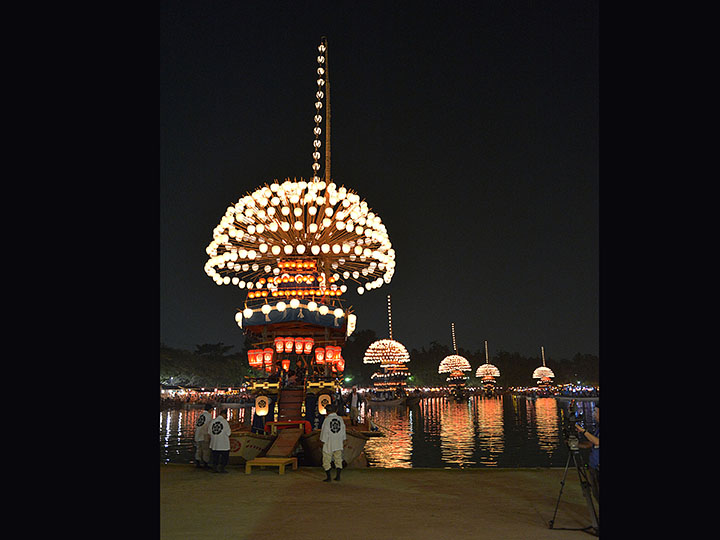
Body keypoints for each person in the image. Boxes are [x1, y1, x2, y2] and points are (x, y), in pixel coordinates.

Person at [575, 402, 599, 503]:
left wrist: (583, 431)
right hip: (593, 467)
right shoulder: (598, 428)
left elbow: (597, 442)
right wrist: (577, 445)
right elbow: (591, 444)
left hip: (598, 467)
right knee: (596, 494)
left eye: (596, 412)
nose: (594, 414)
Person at [319, 403, 346, 482]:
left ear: (327, 411)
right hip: (338, 441)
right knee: (338, 459)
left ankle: (329, 477)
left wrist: (322, 440)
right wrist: (343, 439)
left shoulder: (327, 420)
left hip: (329, 442)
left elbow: (324, 431)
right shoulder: (340, 419)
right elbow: (343, 430)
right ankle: (338, 476)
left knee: (326, 460)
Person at [209, 409, 232, 473]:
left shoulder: (213, 421)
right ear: (224, 414)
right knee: (224, 457)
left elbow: (209, 432)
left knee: (215, 457)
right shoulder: (225, 422)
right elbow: (229, 433)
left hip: (214, 443)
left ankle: (215, 468)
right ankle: (222, 468)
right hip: (223, 443)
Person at [193, 403, 213, 469]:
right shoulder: (209, 415)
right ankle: (205, 463)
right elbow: (209, 426)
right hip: (204, 434)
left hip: (198, 434)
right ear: (210, 409)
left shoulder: (201, 415)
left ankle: (198, 462)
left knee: (198, 449)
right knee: (205, 450)